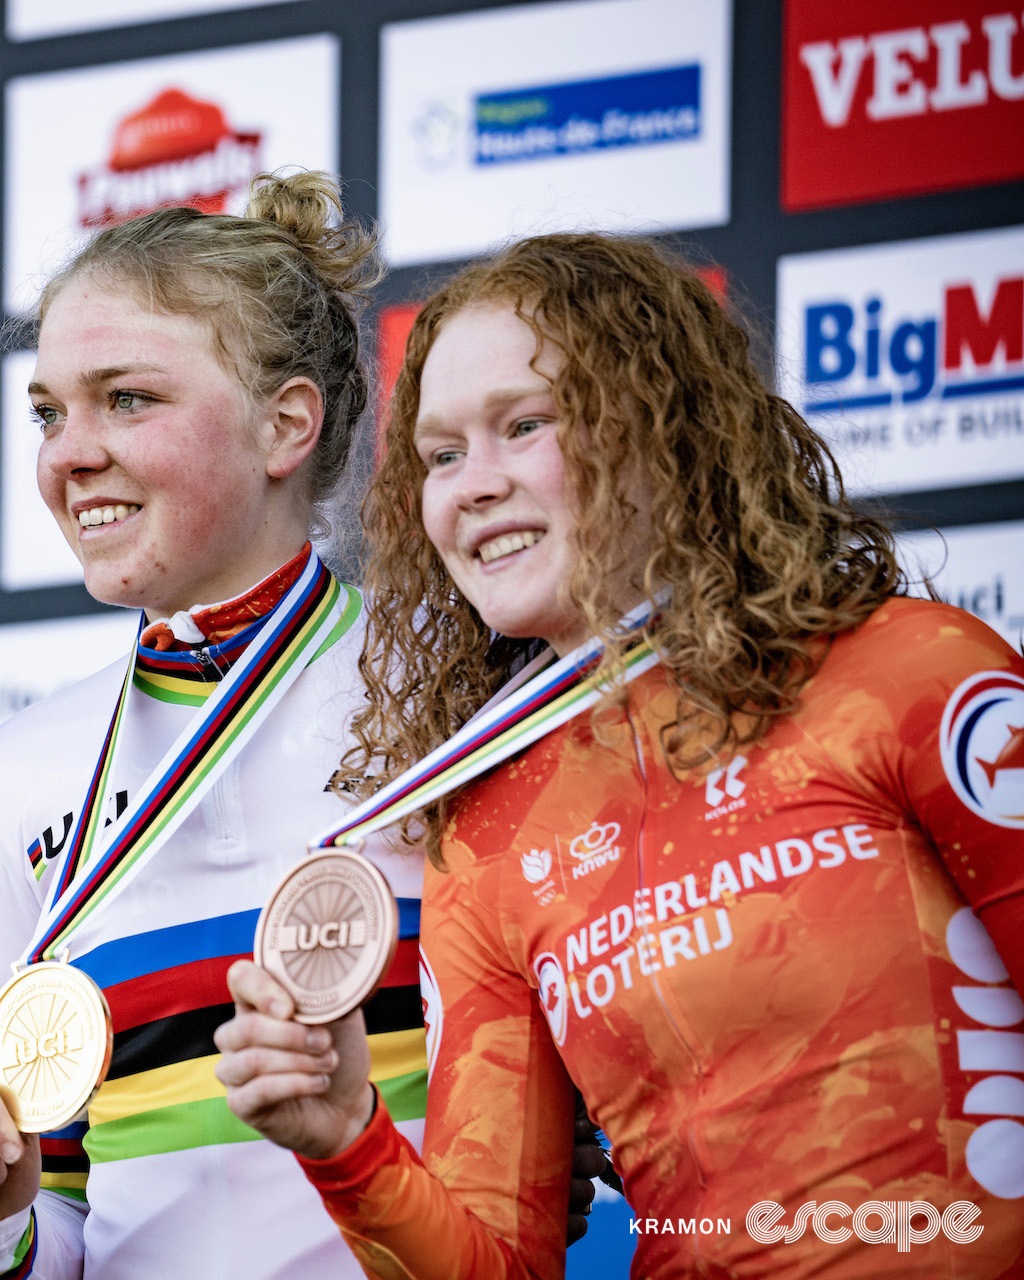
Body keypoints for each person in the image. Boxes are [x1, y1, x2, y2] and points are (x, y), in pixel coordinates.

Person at [214, 233, 1024, 1277]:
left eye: (523, 426)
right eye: (443, 454)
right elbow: (497, 1263)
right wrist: (347, 1138)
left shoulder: (910, 673)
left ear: (665, 432)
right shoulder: (488, 833)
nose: (475, 485)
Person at [0, 172, 597, 1280]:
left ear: (285, 424)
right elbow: (65, 1196)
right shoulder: (24, 774)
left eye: (127, 399)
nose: (68, 453)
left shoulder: (462, 685)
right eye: (49, 411)